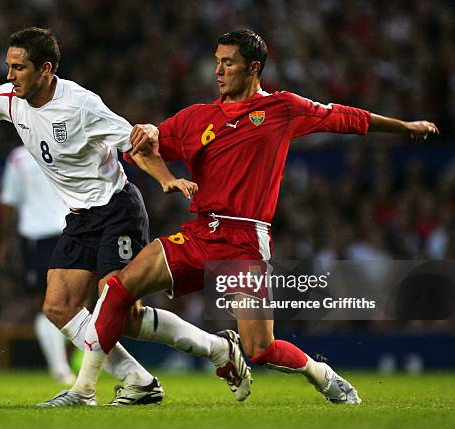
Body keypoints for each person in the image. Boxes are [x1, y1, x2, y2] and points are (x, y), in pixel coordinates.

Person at [45, 28, 440, 407]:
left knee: (259, 349)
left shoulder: (282, 108)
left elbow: (344, 117)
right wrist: (156, 155)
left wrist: (403, 127)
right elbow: (142, 146)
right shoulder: (195, 118)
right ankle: (85, 390)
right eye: (217, 62)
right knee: (115, 290)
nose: (218, 71)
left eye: (229, 63)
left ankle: (321, 374)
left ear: (253, 68)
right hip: (200, 232)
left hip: (244, 241)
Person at [0, 27, 252, 406]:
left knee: (121, 312)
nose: (10, 76)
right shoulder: (9, 99)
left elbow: (135, 144)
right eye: (8, 66)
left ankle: (218, 350)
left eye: (18, 68)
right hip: (80, 217)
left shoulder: (81, 105)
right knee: (58, 307)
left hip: (116, 208)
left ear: (45, 69)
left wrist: (166, 179)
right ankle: (137, 379)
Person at [0, 145, 75, 384]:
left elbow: (9, 204)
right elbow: (9, 203)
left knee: (51, 304)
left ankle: (61, 368)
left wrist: (5, 242)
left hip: (47, 238)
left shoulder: (19, 158)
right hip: (64, 233)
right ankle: (63, 368)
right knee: (65, 304)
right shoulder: (64, 147)